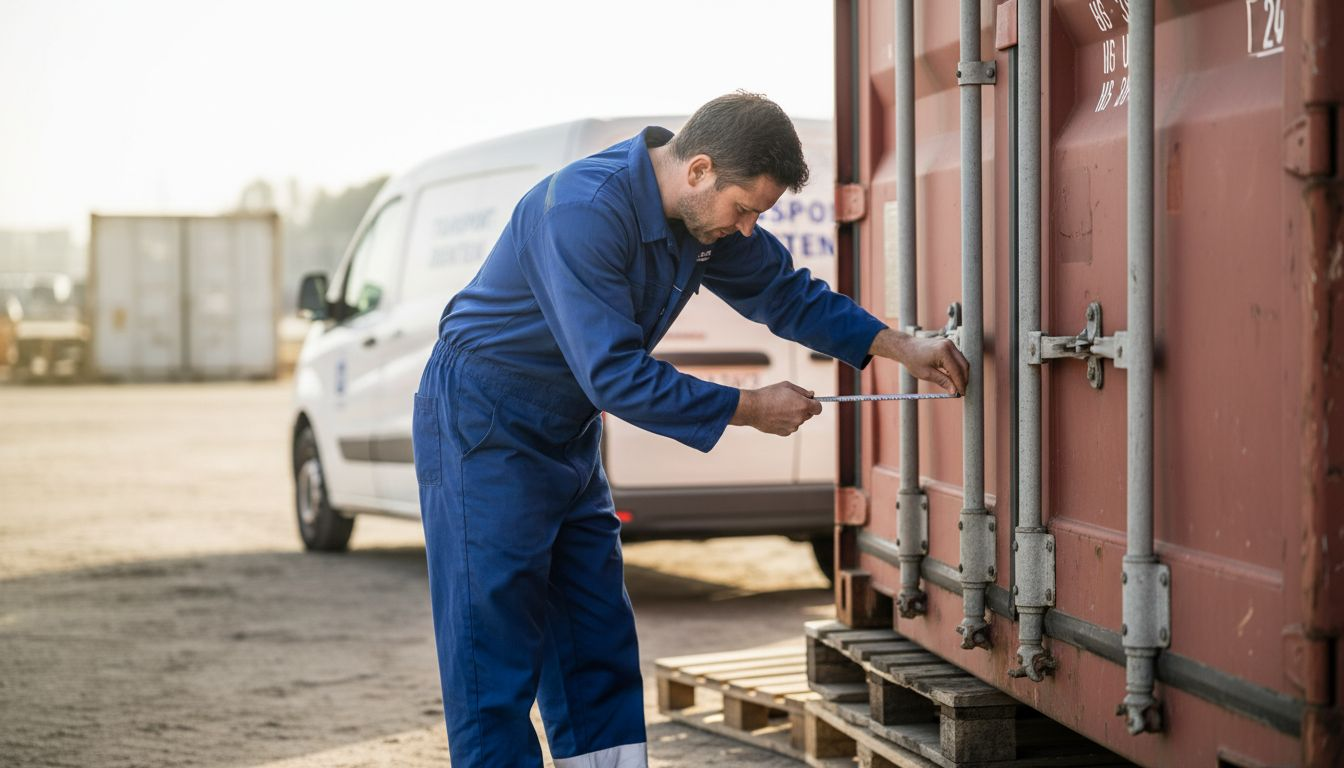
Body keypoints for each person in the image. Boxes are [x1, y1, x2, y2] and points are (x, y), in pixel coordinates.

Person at [412, 92, 969, 768]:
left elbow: (786, 294)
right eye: (745, 210)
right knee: (492, 645)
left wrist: (902, 347)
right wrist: (750, 408)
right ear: (699, 168)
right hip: (484, 421)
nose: (748, 230)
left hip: (566, 428)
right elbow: (615, 376)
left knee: (594, 631)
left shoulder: (701, 219)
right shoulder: (583, 212)